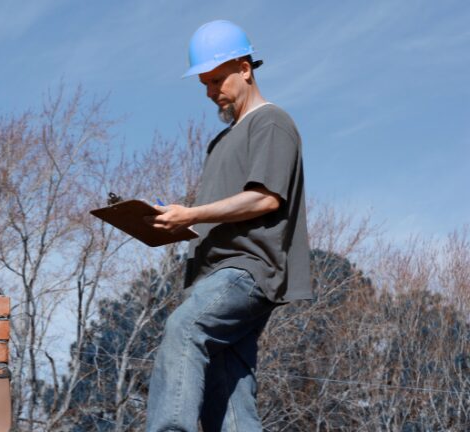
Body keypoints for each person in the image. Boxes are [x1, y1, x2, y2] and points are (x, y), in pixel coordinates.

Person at [144, 20, 312, 431]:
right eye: (203, 83)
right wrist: (172, 221)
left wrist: (192, 213)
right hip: (211, 274)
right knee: (230, 398)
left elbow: (265, 198)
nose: (209, 91)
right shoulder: (220, 141)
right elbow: (222, 213)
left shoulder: (271, 122)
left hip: (246, 271)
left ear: (245, 68)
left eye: (217, 79)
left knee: (185, 328)